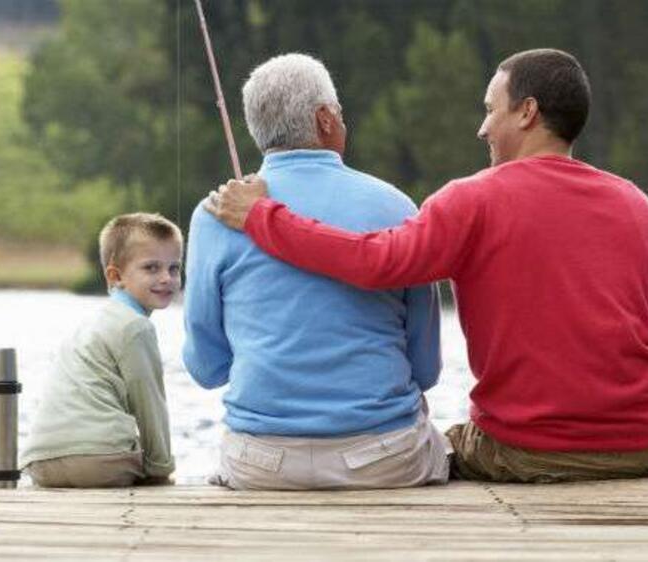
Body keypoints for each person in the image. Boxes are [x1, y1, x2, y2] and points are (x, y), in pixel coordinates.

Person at [206, 48, 648, 483]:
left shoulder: (474, 200)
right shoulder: (635, 203)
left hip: (530, 450)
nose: (482, 128)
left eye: (490, 110)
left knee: (442, 447)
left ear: (527, 112)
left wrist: (261, 217)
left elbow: (376, 261)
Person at [183, 53, 450, 491]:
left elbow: (207, 368)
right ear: (326, 119)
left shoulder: (214, 214)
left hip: (262, 464)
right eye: (339, 112)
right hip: (383, 460)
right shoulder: (397, 206)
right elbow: (426, 369)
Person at [21, 212, 179, 487]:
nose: (166, 278)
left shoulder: (92, 322)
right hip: (100, 460)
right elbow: (149, 402)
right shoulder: (135, 327)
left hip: (42, 462)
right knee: (142, 463)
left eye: (174, 268)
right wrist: (161, 468)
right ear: (116, 276)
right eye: (151, 268)